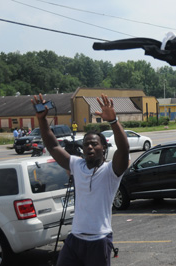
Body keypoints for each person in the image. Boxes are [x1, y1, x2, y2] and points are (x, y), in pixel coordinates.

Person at [31, 93, 129, 266]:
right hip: (75, 239)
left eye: (94, 144)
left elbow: (124, 148)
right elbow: (53, 146)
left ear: (103, 148)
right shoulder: (76, 165)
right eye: (86, 144)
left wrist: (113, 121)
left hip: (99, 240)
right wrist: (42, 120)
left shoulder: (110, 171)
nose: (89, 147)